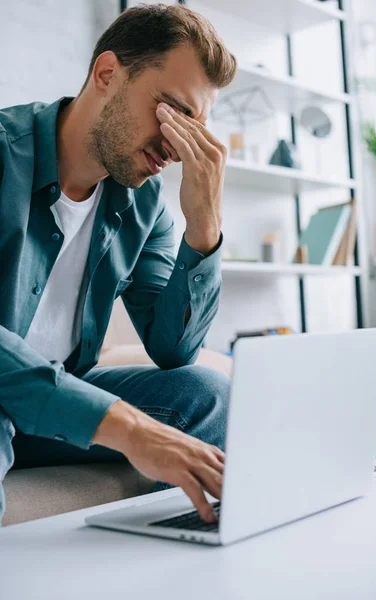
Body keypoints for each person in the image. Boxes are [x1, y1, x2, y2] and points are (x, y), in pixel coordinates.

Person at [0, 3, 237, 526]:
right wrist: (126, 427)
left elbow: (173, 349)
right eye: (172, 110)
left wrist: (204, 226)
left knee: (208, 394)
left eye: (195, 124)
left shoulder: (143, 205)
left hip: (55, 406)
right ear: (107, 73)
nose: (178, 146)